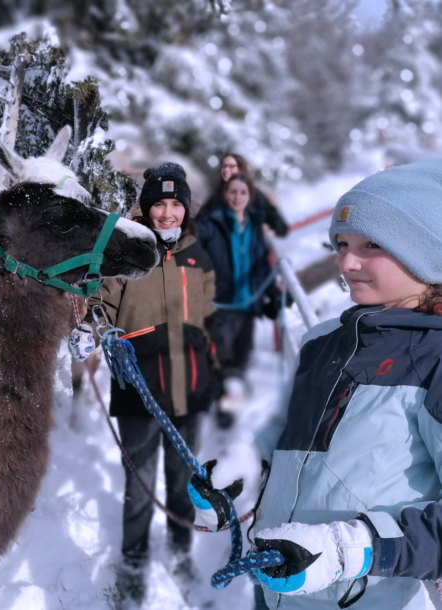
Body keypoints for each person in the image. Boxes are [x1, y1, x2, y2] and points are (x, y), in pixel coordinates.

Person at [191, 160, 442, 610]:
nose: (347, 262)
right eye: (341, 243)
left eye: (372, 245)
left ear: (426, 250)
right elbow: (282, 438)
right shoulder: (322, 342)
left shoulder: (434, 358)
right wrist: (248, 472)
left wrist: (354, 548)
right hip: (276, 588)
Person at [96, 163, 217, 607]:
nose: (167, 213)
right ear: (146, 208)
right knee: (140, 482)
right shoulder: (125, 252)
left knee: (183, 477)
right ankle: (132, 560)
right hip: (139, 389)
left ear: (185, 208)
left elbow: (211, 315)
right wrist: (99, 332)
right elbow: (99, 305)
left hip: (191, 386)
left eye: (175, 204)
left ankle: (182, 552)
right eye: (159, 204)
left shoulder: (198, 254)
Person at [196, 172, 281, 428]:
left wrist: (273, 295)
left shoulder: (254, 227)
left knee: (241, 357)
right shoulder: (210, 225)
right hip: (218, 305)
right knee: (220, 357)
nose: (238, 197)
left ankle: (227, 406)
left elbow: (262, 265)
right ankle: (215, 403)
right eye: (233, 192)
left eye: (243, 193)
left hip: (247, 305)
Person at [198, 153, 289, 237]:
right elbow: (199, 223)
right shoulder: (216, 197)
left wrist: (264, 227)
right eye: (224, 166)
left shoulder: (256, 195)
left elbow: (280, 226)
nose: (227, 170)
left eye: (232, 167)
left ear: (241, 170)